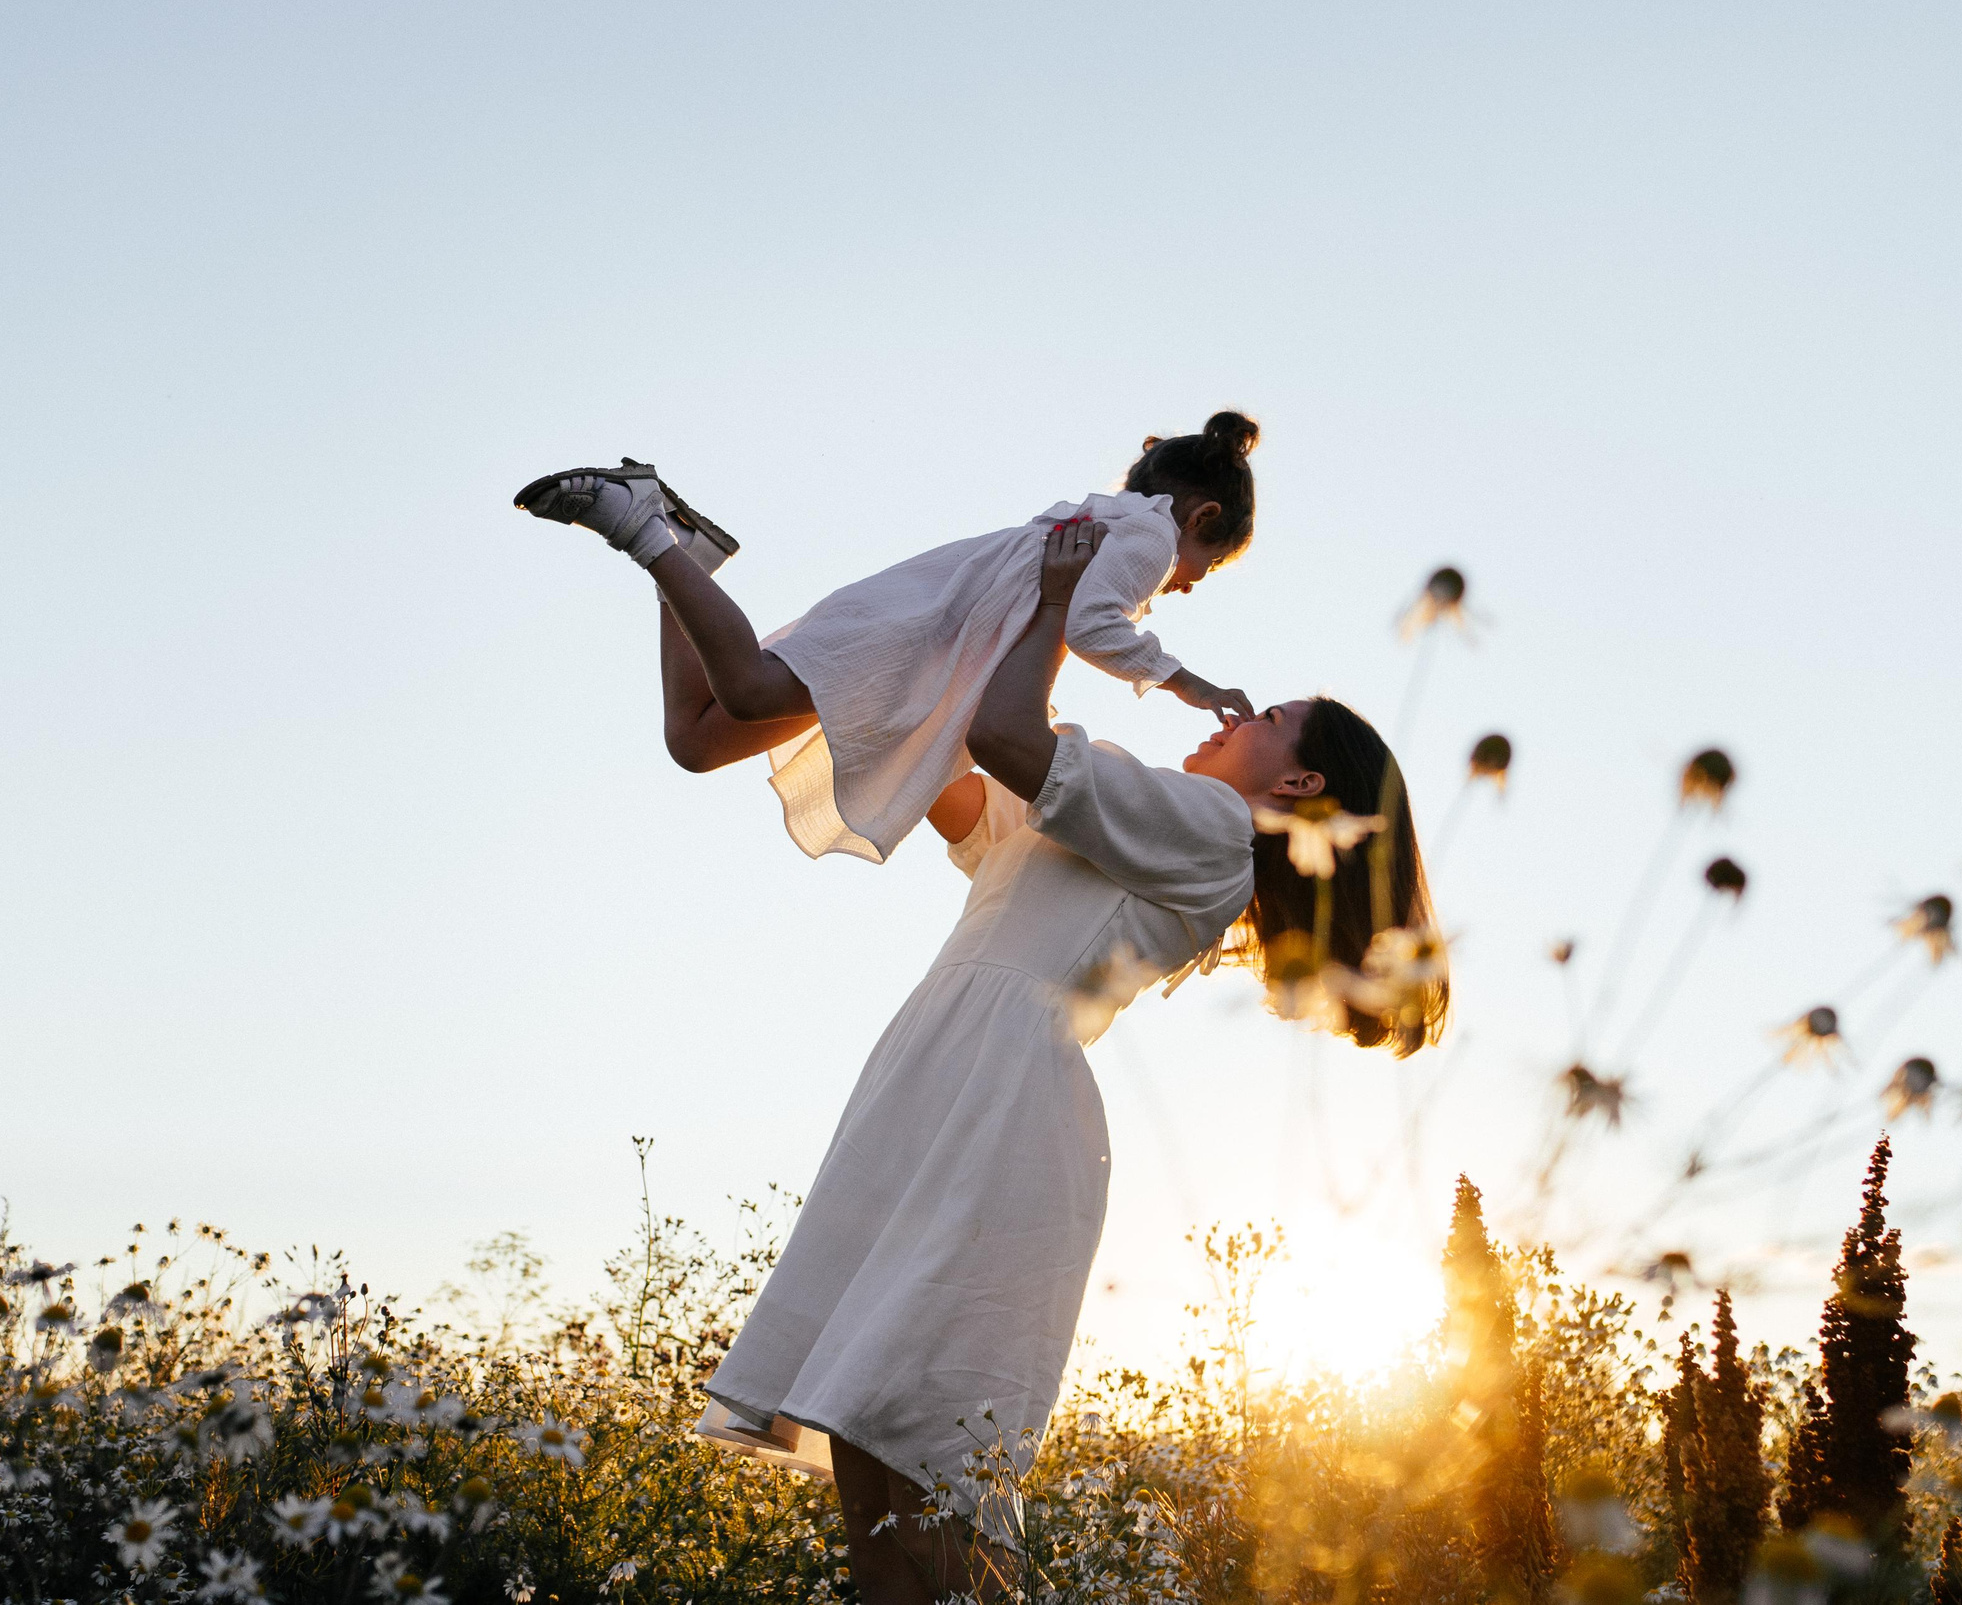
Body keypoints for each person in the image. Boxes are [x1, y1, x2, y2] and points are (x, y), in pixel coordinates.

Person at [684, 521, 1445, 1604]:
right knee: (870, 1447)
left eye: (1265, 720)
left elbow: (1004, 735)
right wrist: (937, 635)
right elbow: (962, 773)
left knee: (911, 1448)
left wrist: (1052, 603)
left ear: (1297, 785)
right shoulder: (1141, 816)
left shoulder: (1214, 828)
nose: (1235, 717)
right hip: (947, 1084)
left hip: (999, 1109)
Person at [514, 412, 1264, 861]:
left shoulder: (1109, 517)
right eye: (1206, 567)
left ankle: (677, 549)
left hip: (919, 641)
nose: (1186, 582)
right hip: (914, 641)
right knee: (742, 691)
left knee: (697, 740)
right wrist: (1193, 686)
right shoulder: (1151, 540)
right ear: (1199, 521)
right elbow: (1095, 623)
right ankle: (639, 523)